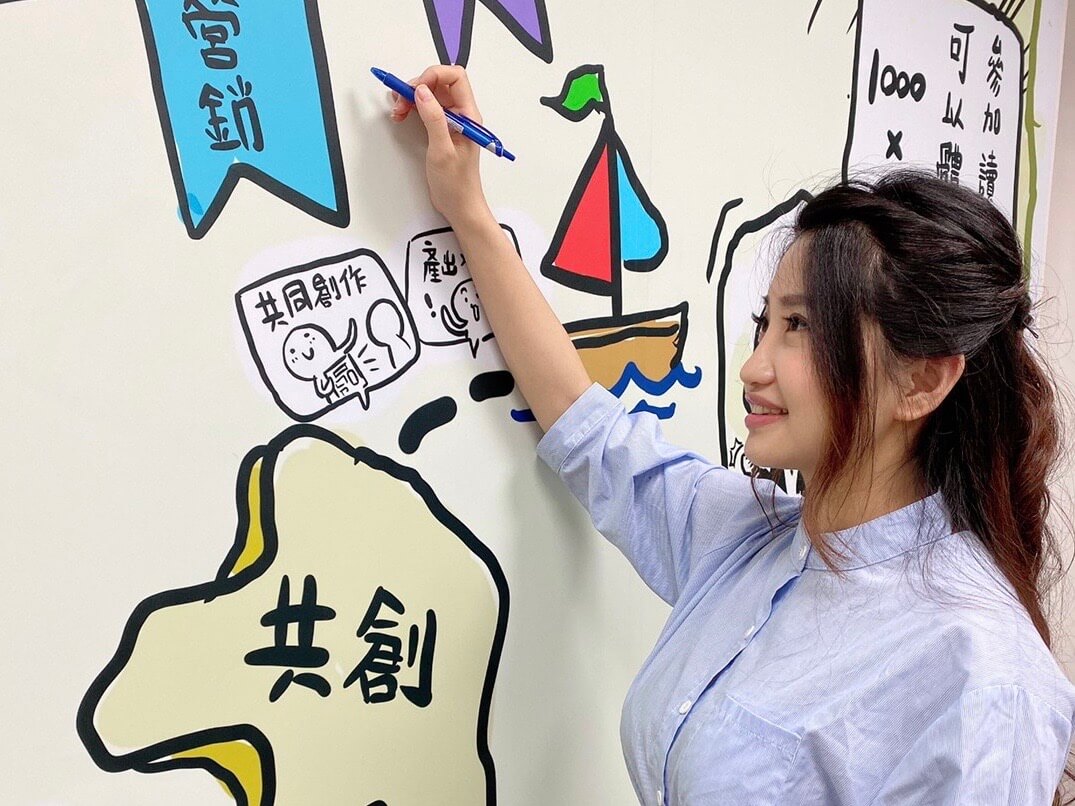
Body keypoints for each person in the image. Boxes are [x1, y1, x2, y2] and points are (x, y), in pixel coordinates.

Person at [389, 65, 1075, 804]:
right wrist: (468, 210)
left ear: (922, 382)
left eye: (799, 326)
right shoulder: (752, 541)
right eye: (765, 323)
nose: (752, 367)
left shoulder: (982, 677)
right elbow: (588, 430)